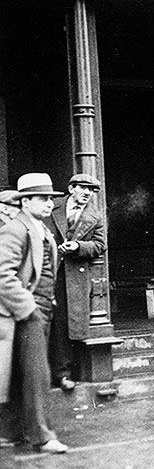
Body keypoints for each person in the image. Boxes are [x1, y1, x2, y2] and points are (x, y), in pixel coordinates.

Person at [0, 173, 68, 453]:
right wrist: (28, 309)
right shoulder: (16, 229)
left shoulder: (40, 228)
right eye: (42, 199)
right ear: (25, 201)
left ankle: (12, 432)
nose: (49, 204)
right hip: (26, 312)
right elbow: (2, 273)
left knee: (23, 374)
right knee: (38, 374)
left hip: (40, 308)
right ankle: (43, 436)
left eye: (51, 199)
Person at [44, 173, 106, 391]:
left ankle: (63, 374)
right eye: (83, 188)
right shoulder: (51, 205)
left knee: (64, 324)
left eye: (92, 190)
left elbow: (99, 245)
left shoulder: (95, 216)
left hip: (72, 277)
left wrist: (78, 247)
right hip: (44, 271)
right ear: (71, 188)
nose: (88, 193)